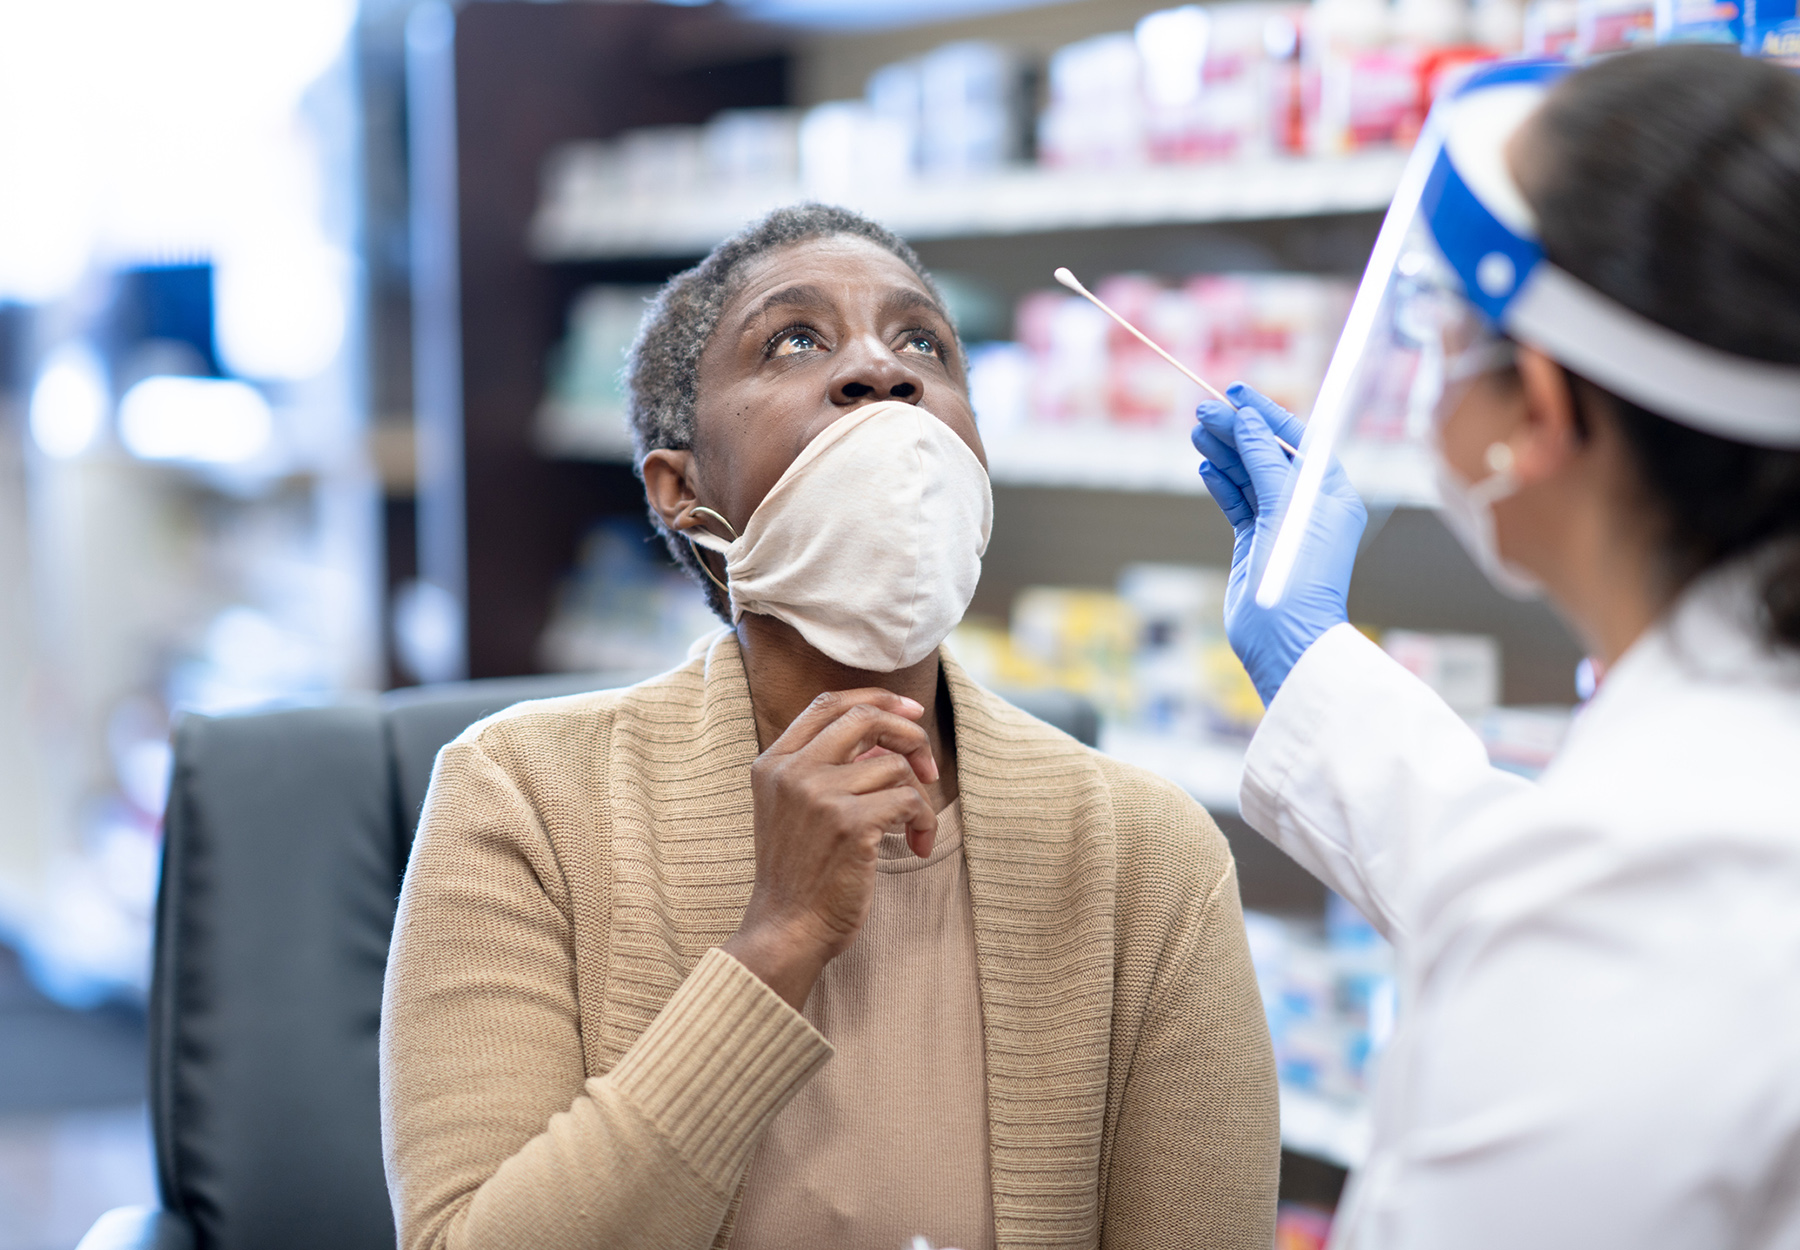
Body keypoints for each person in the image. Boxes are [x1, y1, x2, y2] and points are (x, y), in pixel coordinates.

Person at [381, 204, 1278, 1250]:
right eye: (794, 339)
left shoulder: (1147, 854)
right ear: (682, 490)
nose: (882, 374)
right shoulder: (521, 799)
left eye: (923, 344)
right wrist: (779, 939)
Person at [1191, 47, 1800, 1248]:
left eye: (1436, 325)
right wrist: (1315, 664)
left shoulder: (1629, 888)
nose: (1423, 369)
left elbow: (1598, 926)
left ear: (1540, 409)